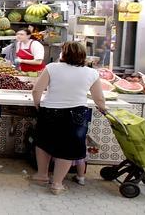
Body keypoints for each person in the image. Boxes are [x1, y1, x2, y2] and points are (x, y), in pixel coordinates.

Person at [30, 41, 106, 195]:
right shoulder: (91, 73)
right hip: (77, 114)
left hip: (50, 111)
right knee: (68, 148)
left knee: (44, 143)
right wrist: (103, 108)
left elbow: (37, 90)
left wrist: (38, 105)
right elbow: (99, 99)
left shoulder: (52, 68)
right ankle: (57, 184)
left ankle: (42, 175)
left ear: (64, 54)